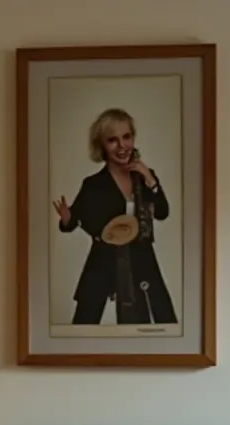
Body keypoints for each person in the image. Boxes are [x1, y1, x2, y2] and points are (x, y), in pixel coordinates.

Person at [52, 107, 176, 325]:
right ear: (102, 146)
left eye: (126, 137)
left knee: (159, 320)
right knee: (85, 323)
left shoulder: (145, 177)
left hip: (141, 259)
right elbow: (73, 222)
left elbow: (163, 212)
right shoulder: (93, 185)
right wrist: (66, 219)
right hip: (104, 259)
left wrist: (150, 179)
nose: (122, 146)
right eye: (113, 140)